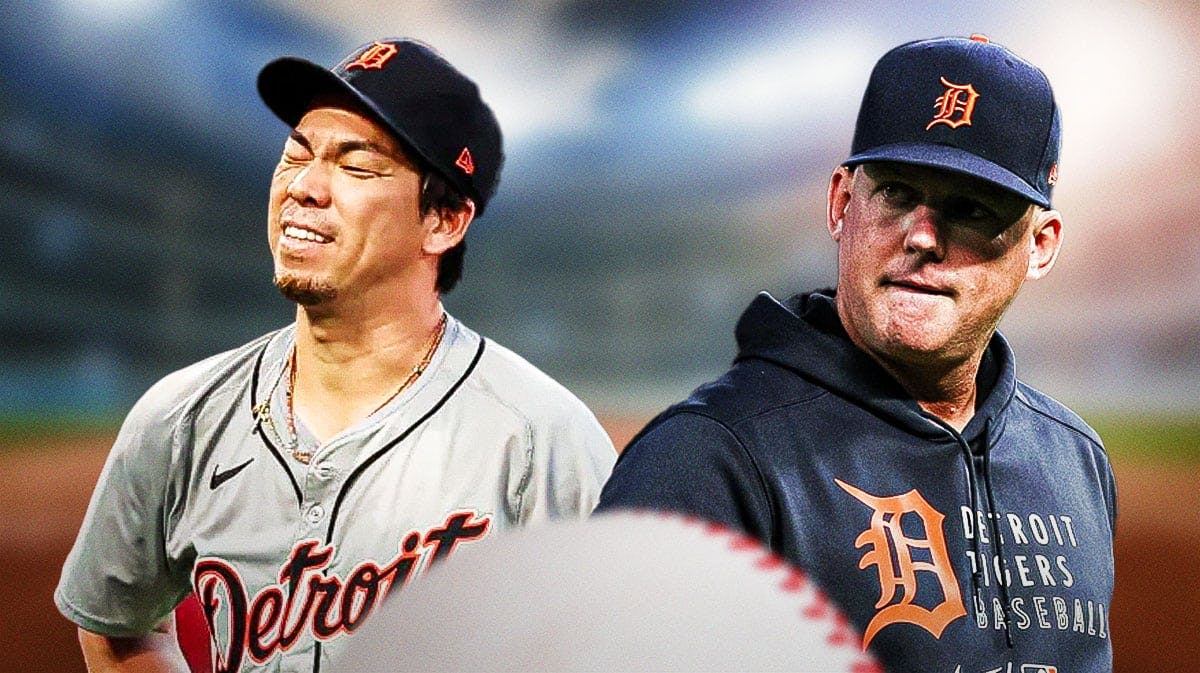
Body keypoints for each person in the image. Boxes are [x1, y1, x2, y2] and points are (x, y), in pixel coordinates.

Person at [56, 38, 616, 672]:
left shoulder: (542, 441)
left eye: (355, 165)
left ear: (444, 220)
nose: (304, 186)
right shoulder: (180, 417)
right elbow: (116, 627)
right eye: (296, 154)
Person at [596, 35, 1116, 672]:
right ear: (842, 203)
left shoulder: (1077, 461)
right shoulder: (709, 463)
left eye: (971, 208)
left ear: (1041, 245)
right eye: (897, 193)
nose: (923, 236)